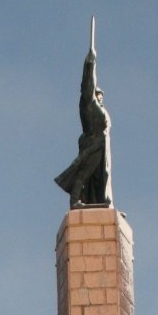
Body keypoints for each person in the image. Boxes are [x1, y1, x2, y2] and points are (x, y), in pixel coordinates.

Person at [54, 47, 112, 208]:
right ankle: (75, 200)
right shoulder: (88, 104)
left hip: (101, 145)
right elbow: (88, 86)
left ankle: (99, 203)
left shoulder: (101, 110)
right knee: (85, 173)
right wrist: (90, 64)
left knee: (98, 178)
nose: (99, 98)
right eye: (97, 95)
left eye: (101, 96)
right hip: (92, 144)